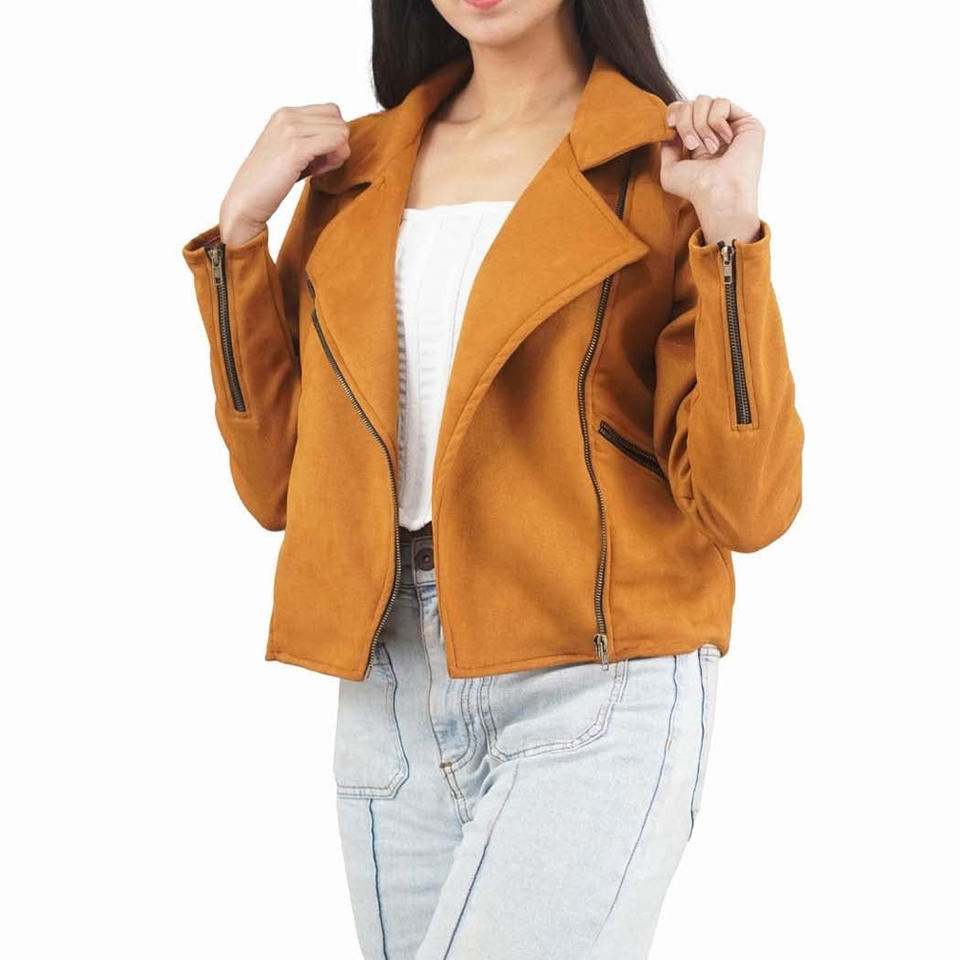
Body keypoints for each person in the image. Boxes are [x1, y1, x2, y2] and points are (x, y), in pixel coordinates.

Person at [181, 1, 803, 956]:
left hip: (595, 673)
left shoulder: (659, 164)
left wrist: (728, 234)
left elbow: (745, 506)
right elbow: (277, 487)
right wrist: (239, 239)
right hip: (387, 680)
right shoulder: (351, 172)